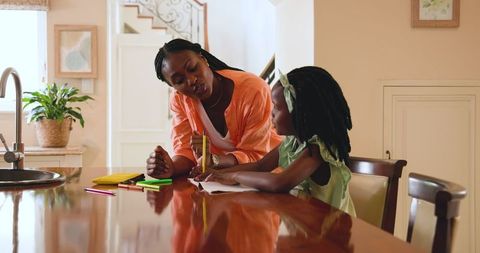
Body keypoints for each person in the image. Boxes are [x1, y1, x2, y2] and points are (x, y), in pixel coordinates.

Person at [199, 66, 356, 216]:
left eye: (277, 107)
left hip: (332, 232)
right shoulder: (292, 143)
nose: (271, 114)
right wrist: (217, 174)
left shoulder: (318, 150)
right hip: (308, 223)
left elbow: (280, 182)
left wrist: (234, 176)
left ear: (300, 112)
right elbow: (260, 166)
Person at [147, 39, 281, 179]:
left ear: (203, 60)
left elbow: (256, 156)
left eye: (193, 68)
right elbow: (185, 152)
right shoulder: (180, 100)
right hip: (221, 181)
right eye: (180, 81)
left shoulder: (254, 90)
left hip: (271, 178)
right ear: (174, 88)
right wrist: (170, 167)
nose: (191, 80)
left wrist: (214, 161)